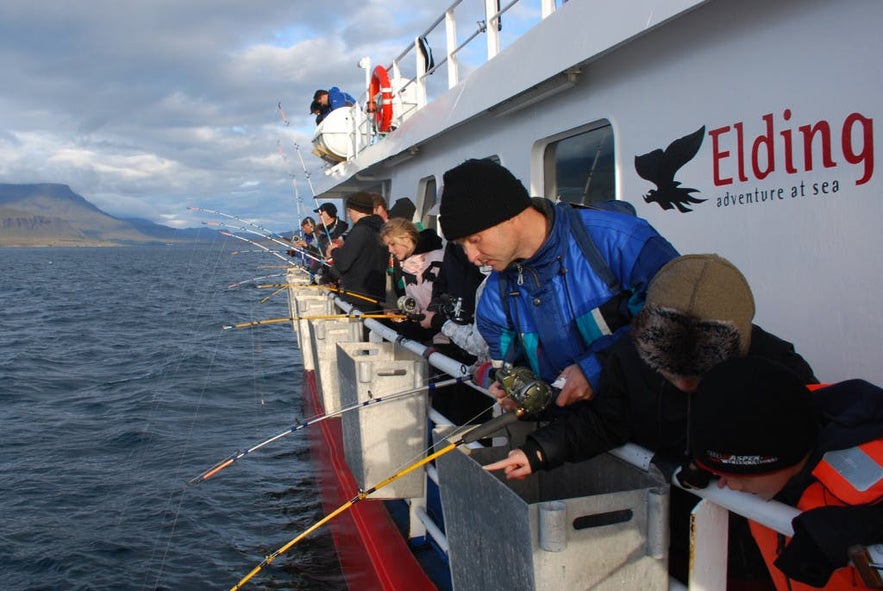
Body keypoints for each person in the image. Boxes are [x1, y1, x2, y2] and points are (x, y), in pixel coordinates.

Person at [484, 253, 818, 588]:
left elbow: (807, 459)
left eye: (699, 377)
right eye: (670, 375)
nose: (685, 385)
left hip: (767, 548)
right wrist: (540, 451)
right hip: (673, 528)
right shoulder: (629, 361)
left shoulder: (784, 374)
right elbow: (606, 422)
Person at [439, 158, 679, 409]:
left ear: (510, 215)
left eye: (475, 239)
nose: (471, 257)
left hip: (657, 423)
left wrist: (596, 366)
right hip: (573, 435)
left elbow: (679, 323)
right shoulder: (494, 298)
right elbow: (508, 367)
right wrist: (513, 387)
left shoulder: (622, 241)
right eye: (461, 245)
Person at [690, 355, 883, 591]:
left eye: (744, 477)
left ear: (786, 458)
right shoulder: (780, 419)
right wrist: (708, 467)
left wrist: (835, 533)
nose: (735, 486)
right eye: (723, 473)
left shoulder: (868, 459)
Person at [380, 217, 445, 343]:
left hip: (445, 337)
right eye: (388, 245)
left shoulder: (437, 259)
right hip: (427, 335)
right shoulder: (406, 265)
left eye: (393, 244)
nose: (390, 250)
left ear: (407, 237)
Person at [327, 191, 388, 306]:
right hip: (376, 295)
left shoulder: (360, 230)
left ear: (358, 210)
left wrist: (333, 251)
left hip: (357, 297)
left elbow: (343, 264)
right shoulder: (381, 228)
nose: (349, 215)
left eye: (350, 211)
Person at [311, 202, 348, 284]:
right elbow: (315, 251)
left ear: (329, 213)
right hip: (321, 273)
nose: (318, 216)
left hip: (335, 277)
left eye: (321, 213)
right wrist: (305, 246)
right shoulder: (320, 231)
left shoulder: (343, 229)